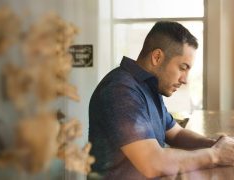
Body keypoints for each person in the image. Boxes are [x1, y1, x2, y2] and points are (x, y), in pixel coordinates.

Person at [89, 21, 234, 179]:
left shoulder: (149, 86)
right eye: (182, 67)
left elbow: (176, 134)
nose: (185, 80)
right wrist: (215, 155)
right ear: (157, 57)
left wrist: (216, 144)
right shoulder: (120, 90)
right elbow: (153, 163)